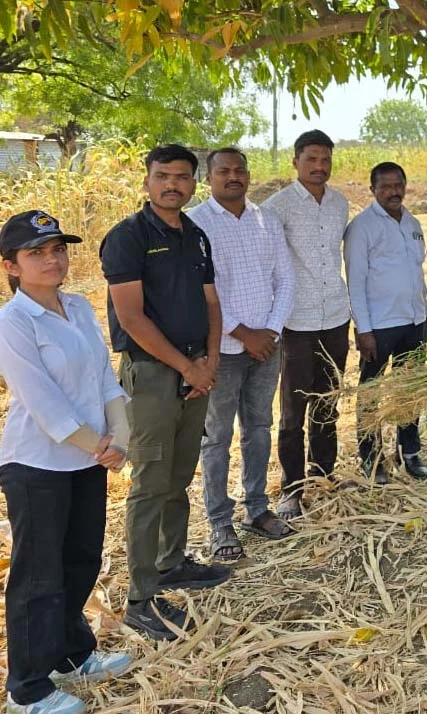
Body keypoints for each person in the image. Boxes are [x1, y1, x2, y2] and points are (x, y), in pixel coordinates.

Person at [0, 212, 133, 714]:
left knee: (80, 561)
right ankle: (27, 689)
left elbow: (103, 378)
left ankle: (71, 655)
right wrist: (100, 446)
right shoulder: (12, 323)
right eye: (37, 253)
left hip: (85, 459)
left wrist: (118, 436)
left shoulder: (77, 307)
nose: (53, 260)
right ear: (11, 265)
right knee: (38, 574)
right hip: (37, 465)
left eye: (58, 249)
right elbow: (45, 405)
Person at [100, 144, 230, 641]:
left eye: (181, 176)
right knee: (151, 484)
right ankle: (140, 599)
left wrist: (210, 361)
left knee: (179, 475)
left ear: (193, 183)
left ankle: (172, 562)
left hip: (196, 369)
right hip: (154, 374)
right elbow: (131, 318)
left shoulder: (196, 236)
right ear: (148, 180)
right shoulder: (127, 238)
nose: (171, 184)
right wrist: (186, 367)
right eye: (162, 176)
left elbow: (211, 302)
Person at [188, 147, 296, 562]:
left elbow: (284, 280)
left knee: (259, 426)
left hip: (267, 346)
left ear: (248, 175)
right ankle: (219, 521)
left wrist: (269, 331)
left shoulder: (266, 219)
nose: (233, 177)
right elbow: (200, 290)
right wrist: (243, 333)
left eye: (239, 170)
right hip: (222, 349)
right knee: (216, 437)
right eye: (223, 171)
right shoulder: (196, 223)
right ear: (209, 177)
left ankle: (256, 508)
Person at [262, 130, 351, 519]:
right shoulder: (276, 207)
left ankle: (323, 474)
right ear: (295, 162)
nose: (319, 167)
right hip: (296, 321)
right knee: (294, 408)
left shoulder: (339, 204)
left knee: (328, 402)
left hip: (334, 315)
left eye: (325, 160)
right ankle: (292, 490)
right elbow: (267, 267)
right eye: (312, 159)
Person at [345, 161, 427, 484]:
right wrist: (363, 329)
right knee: (371, 394)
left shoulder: (411, 222)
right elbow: (355, 280)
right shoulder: (362, 227)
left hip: (413, 322)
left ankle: (409, 453)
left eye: (398, 185)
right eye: (385, 186)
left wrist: (425, 315)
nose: (393, 191)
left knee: (410, 391)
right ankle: (372, 459)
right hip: (379, 327)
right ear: (373, 190)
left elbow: (417, 274)